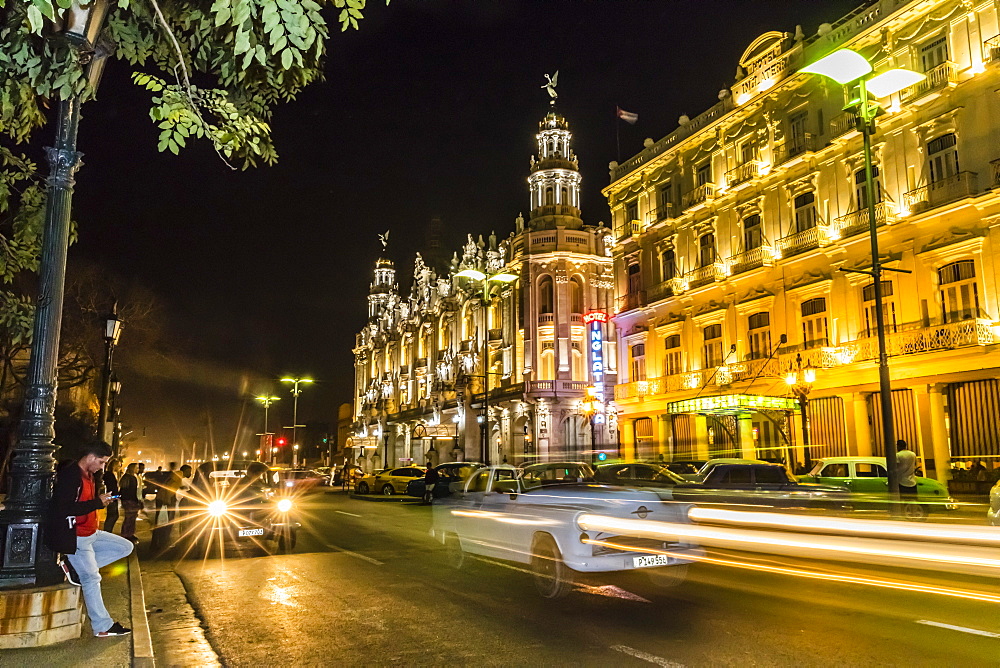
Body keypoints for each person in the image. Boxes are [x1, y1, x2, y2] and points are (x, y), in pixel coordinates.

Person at [45, 440, 133, 637]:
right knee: (92, 578)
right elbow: (64, 508)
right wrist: (97, 503)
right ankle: (103, 626)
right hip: (78, 536)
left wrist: (98, 501)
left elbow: (84, 503)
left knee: (125, 547)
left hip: (91, 532)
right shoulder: (71, 475)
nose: (102, 466)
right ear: (91, 457)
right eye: (102, 462)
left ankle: (74, 568)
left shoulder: (90, 476)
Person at [119, 463, 141, 543]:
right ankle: (129, 534)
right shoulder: (132, 478)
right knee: (131, 518)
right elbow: (133, 492)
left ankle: (125, 533)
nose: (137, 469)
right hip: (131, 501)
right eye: (136, 468)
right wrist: (137, 502)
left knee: (127, 518)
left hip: (125, 500)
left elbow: (122, 490)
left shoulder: (125, 477)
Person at [102, 459, 121, 533]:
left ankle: (108, 531)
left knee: (114, 515)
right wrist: (113, 497)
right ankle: (107, 531)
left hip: (113, 497)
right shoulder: (109, 474)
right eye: (118, 465)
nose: (119, 467)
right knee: (112, 515)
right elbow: (111, 487)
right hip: (111, 497)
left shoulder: (112, 474)